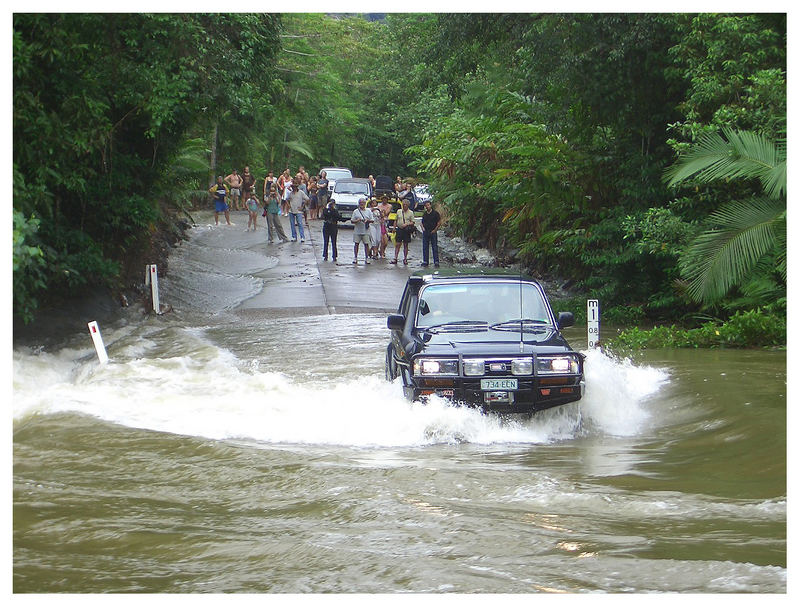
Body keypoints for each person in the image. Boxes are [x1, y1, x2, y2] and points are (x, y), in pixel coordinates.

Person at [390, 198, 415, 265]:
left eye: (406, 205)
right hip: (399, 229)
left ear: (408, 205)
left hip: (406, 230)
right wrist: (394, 228)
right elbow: (396, 220)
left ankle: (405, 258)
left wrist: (407, 224)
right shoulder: (399, 211)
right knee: (397, 244)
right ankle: (395, 258)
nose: (404, 206)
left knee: (406, 245)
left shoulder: (411, 212)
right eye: (403, 204)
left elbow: (413, 222)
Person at [351, 197, 373, 264]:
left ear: (365, 204)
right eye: (360, 203)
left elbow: (372, 220)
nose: (362, 204)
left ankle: (367, 258)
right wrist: (357, 220)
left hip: (365, 230)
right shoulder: (356, 211)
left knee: (366, 244)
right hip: (357, 230)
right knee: (356, 244)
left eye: (363, 203)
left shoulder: (368, 211)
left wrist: (367, 221)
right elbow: (352, 221)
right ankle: (355, 257)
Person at [287, 177, 309, 242]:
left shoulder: (301, 192)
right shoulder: (291, 193)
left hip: (298, 211)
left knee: (300, 223)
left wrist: (302, 206)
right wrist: (289, 206)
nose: (293, 188)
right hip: (291, 210)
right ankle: (294, 236)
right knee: (292, 224)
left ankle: (302, 236)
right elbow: (287, 199)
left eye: (294, 187)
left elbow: (307, 199)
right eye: (293, 187)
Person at [420, 200, 441, 268]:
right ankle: (425, 261)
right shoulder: (425, 214)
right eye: (426, 205)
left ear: (430, 205)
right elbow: (421, 222)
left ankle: (436, 261)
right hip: (426, 231)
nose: (427, 206)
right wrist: (422, 228)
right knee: (425, 247)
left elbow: (439, 222)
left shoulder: (435, 213)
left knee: (434, 247)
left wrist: (435, 230)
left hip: (433, 231)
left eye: (428, 205)